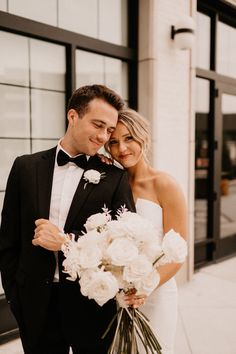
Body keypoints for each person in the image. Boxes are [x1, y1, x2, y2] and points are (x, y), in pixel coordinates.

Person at [0, 85, 136, 354]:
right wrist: (17, 296)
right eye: (98, 125)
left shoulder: (115, 178)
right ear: (72, 116)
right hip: (35, 303)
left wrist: (66, 242)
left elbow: (125, 246)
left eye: (109, 130)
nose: (102, 137)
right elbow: (8, 239)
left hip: (92, 305)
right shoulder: (25, 167)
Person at [104, 108, 188, 354]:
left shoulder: (164, 184)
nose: (122, 149)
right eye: (113, 142)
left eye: (129, 138)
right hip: (117, 297)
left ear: (143, 137)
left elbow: (178, 253)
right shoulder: (109, 183)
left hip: (156, 293)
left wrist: (145, 287)